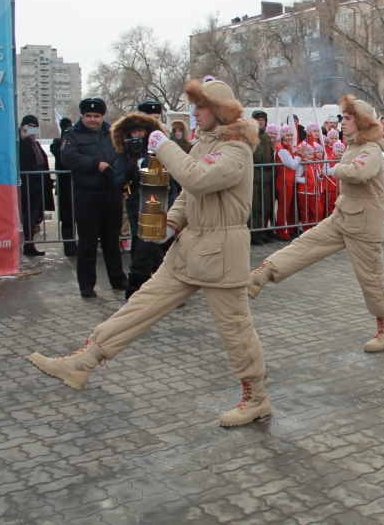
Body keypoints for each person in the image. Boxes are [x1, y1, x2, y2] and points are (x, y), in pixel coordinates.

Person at [29, 79, 271, 427]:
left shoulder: (236, 149)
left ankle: (256, 398)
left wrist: (163, 144)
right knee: (140, 305)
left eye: (200, 107)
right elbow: (190, 197)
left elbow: (196, 179)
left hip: (222, 252)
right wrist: (170, 226)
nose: (194, 113)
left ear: (217, 111)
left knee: (235, 329)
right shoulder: (206, 145)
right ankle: (83, 361)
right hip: (189, 249)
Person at [249, 96, 384, 353]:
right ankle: (260, 276)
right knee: (305, 244)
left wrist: (336, 168)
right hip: (343, 215)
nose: (343, 122)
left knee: (372, 280)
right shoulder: (353, 146)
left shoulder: (371, 149)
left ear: (361, 123)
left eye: (348, 118)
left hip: (364, 225)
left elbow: (358, 172)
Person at [61, 98, 128, 298]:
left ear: (102, 116)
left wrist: (121, 179)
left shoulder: (113, 133)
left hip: (111, 193)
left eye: (96, 116)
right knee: (88, 243)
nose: (92, 120)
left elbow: (122, 157)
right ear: (82, 116)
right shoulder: (72, 134)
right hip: (87, 195)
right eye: (88, 116)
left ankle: (118, 279)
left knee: (111, 241)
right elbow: (68, 157)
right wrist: (95, 164)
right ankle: (87, 285)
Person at [110, 109, 170, 300]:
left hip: (156, 203)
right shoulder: (125, 155)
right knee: (145, 248)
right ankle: (158, 289)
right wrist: (128, 174)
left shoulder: (157, 151)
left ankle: (138, 290)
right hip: (135, 204)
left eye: (139, 131)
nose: (136, 136)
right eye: (132, 133)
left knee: (150, 249)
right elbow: (116, 181)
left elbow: (172, 178)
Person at [19, 115, 53, 256]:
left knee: (34, 215)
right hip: (27, 185)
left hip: (38, 184)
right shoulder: (21, 143)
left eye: (35, 127)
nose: (32, 130)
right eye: (29, 126)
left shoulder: (36, 144)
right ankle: (27, 244)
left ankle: (29, 243)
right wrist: (22, 137)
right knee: (27, 215)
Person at [50, 117, 77, 256]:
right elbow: (63, 157)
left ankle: (75, 243)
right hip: (65, 188)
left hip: (77, 187)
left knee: (78, 217)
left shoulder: (76, 144)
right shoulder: (56, 146)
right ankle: (69, 245)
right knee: (67, 219)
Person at [249, 110, 276, 245]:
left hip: (266, 176)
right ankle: (253, 232)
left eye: (263, 120)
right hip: (254, 176)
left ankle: (261, 230)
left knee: (265, 204)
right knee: (255, 205)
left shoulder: (265, 137)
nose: (260, 122)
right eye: (258, 120)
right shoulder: (250, 136)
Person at [274, 125, 300, 240]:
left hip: (288, 179)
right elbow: (293, 165)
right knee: (284, 207)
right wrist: (300, 154)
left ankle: (287, 229)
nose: (290, 137)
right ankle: (282, 232)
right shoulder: (282, 149)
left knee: (288, 207)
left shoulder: (287, 147)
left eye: (291, 135)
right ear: (282, 136)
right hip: (284, 180)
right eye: (287, 135)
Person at [168, 119, 192, 208]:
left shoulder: (190, 146)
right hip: (173, 181)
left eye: (179, 131)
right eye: (175, 131)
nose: (177, 133)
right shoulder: (170, 146)